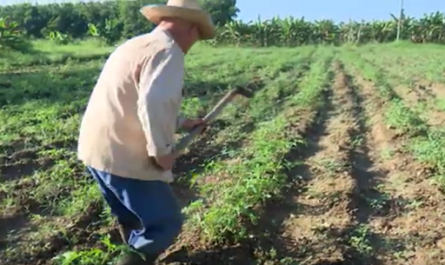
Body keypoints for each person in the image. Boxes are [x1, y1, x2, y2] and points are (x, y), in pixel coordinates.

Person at [76, 0, 215, 264]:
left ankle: (133, 253)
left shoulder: (134, 44)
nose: (195, 42)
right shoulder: (168, 51)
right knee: (165, 223)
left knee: (132, 216)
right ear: (191, 28)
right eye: (198, 35)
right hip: (125, 157)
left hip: (97, 152)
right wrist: (161, 153)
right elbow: (155, 104)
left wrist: (183, 123)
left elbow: (133, 99)